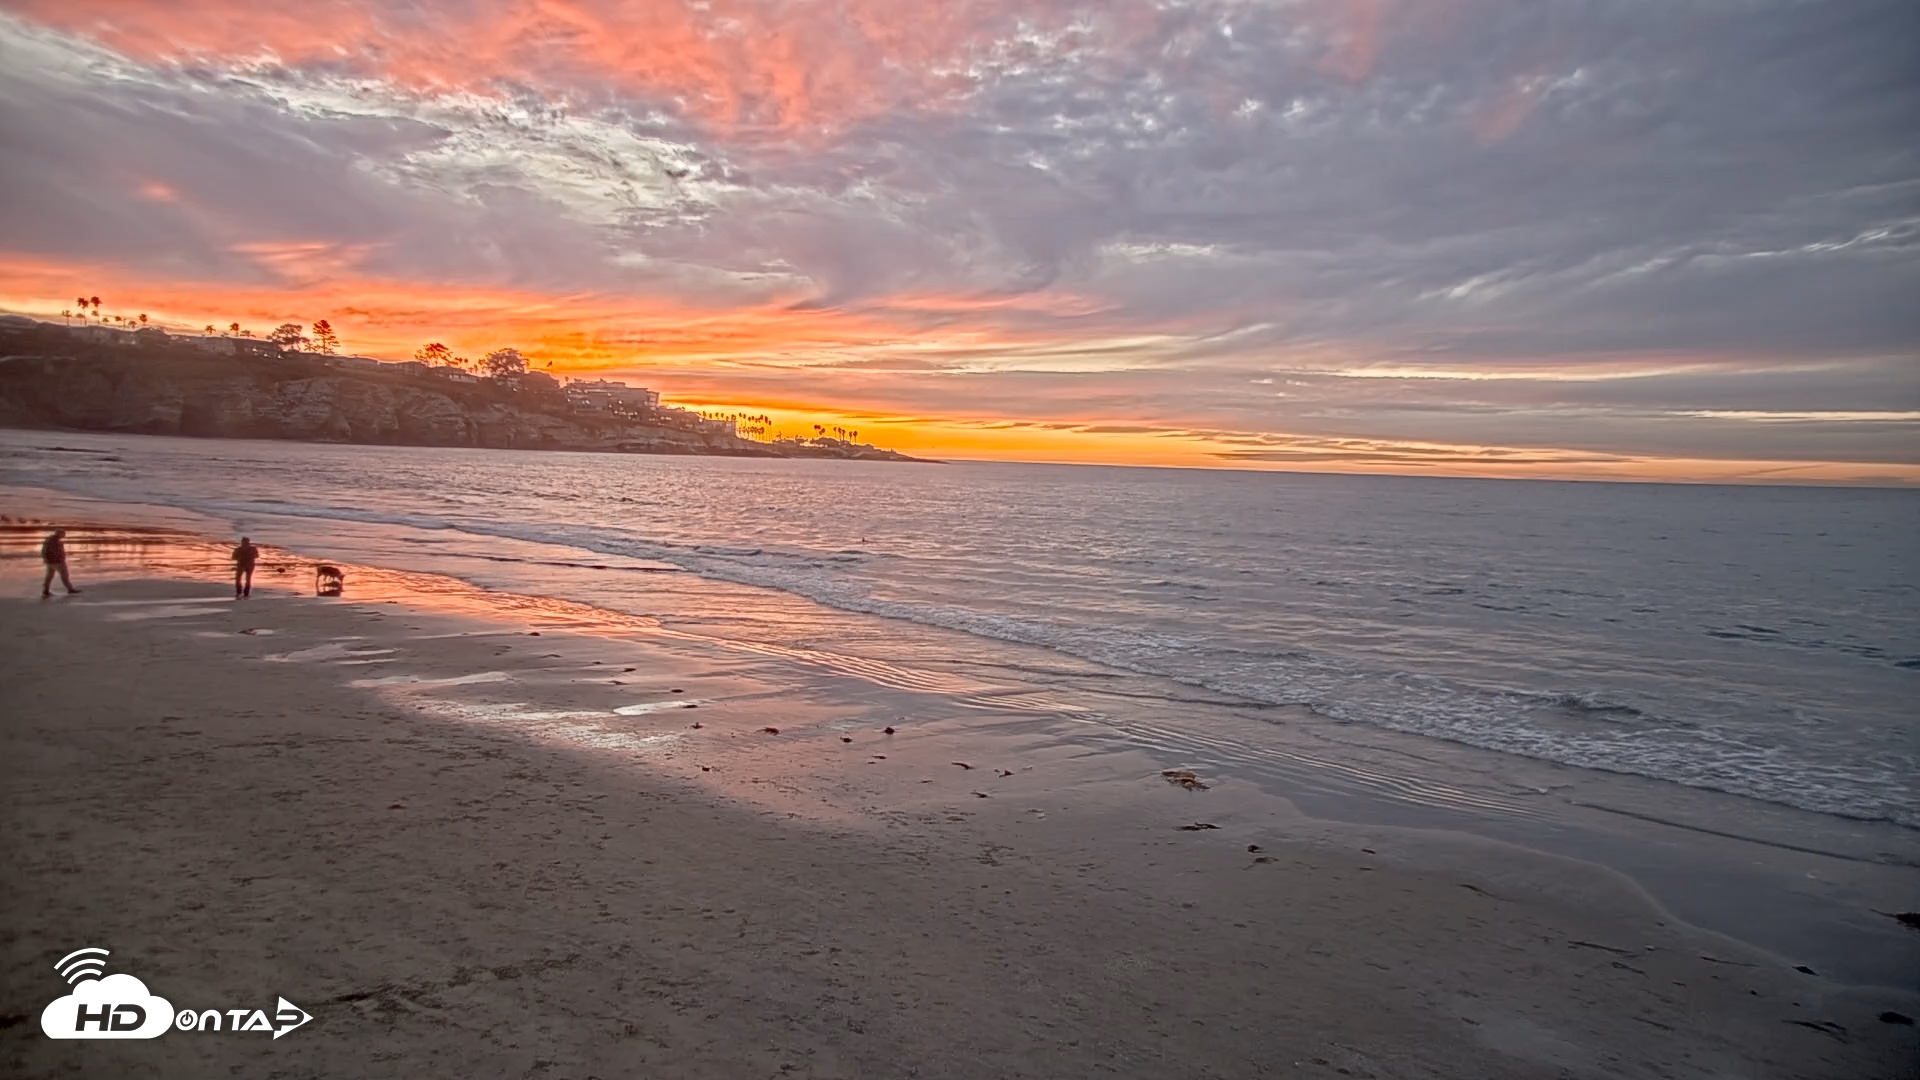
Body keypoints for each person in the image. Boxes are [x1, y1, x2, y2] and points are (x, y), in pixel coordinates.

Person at [40, 528, 80, 598]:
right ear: (59, 534)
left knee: (49, 576)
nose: (64, 535)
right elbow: (53, 552)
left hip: (50, 561)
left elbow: (44, 551)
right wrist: (59, 559)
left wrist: (46, 559)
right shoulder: (54, 541)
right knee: (64, 574)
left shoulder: (50, 540)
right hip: (56, 561)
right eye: (63, 533)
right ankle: (70, 589)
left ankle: (45, 591)